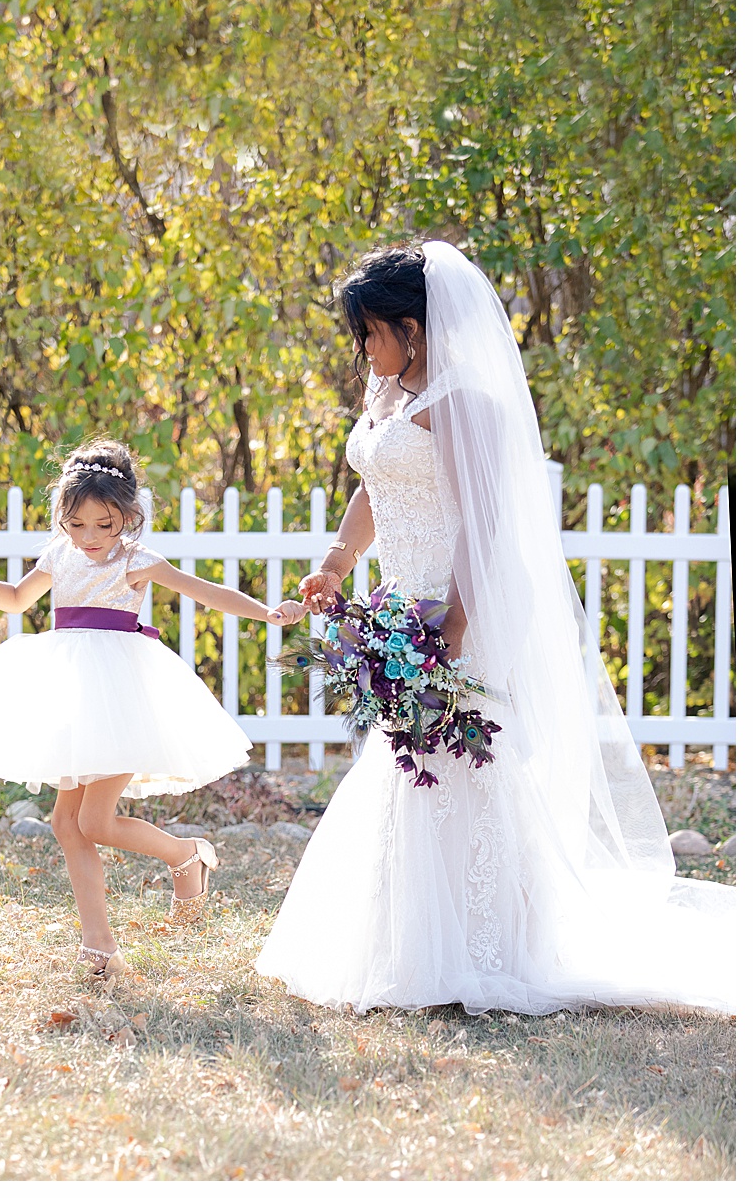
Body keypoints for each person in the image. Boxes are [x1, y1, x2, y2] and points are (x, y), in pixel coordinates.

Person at [256, 240, 736, 1015]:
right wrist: (339, 564)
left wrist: (450, 625)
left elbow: (483, 526)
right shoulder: (385, 398)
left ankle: (486, 945)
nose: (363, 350)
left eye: (372, 332)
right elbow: (375, 489)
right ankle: (400, 939)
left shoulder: (464, 402)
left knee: (462, 766)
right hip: (396, 604)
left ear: (412, 327)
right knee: (406, 765)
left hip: (453, 610)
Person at [0, 439, 306, 973]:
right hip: (71, 691)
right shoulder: (58, 555)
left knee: (94, 821)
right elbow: (14, 600)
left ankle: (186, 855)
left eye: (104, 524)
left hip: (121, 694)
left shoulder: (138, 561)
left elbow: (207, 592)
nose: (90, 537)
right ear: (63, 518)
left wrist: (268, 614)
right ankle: (100, 948)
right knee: (66, 824)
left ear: (128, 515)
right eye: (77, 524)